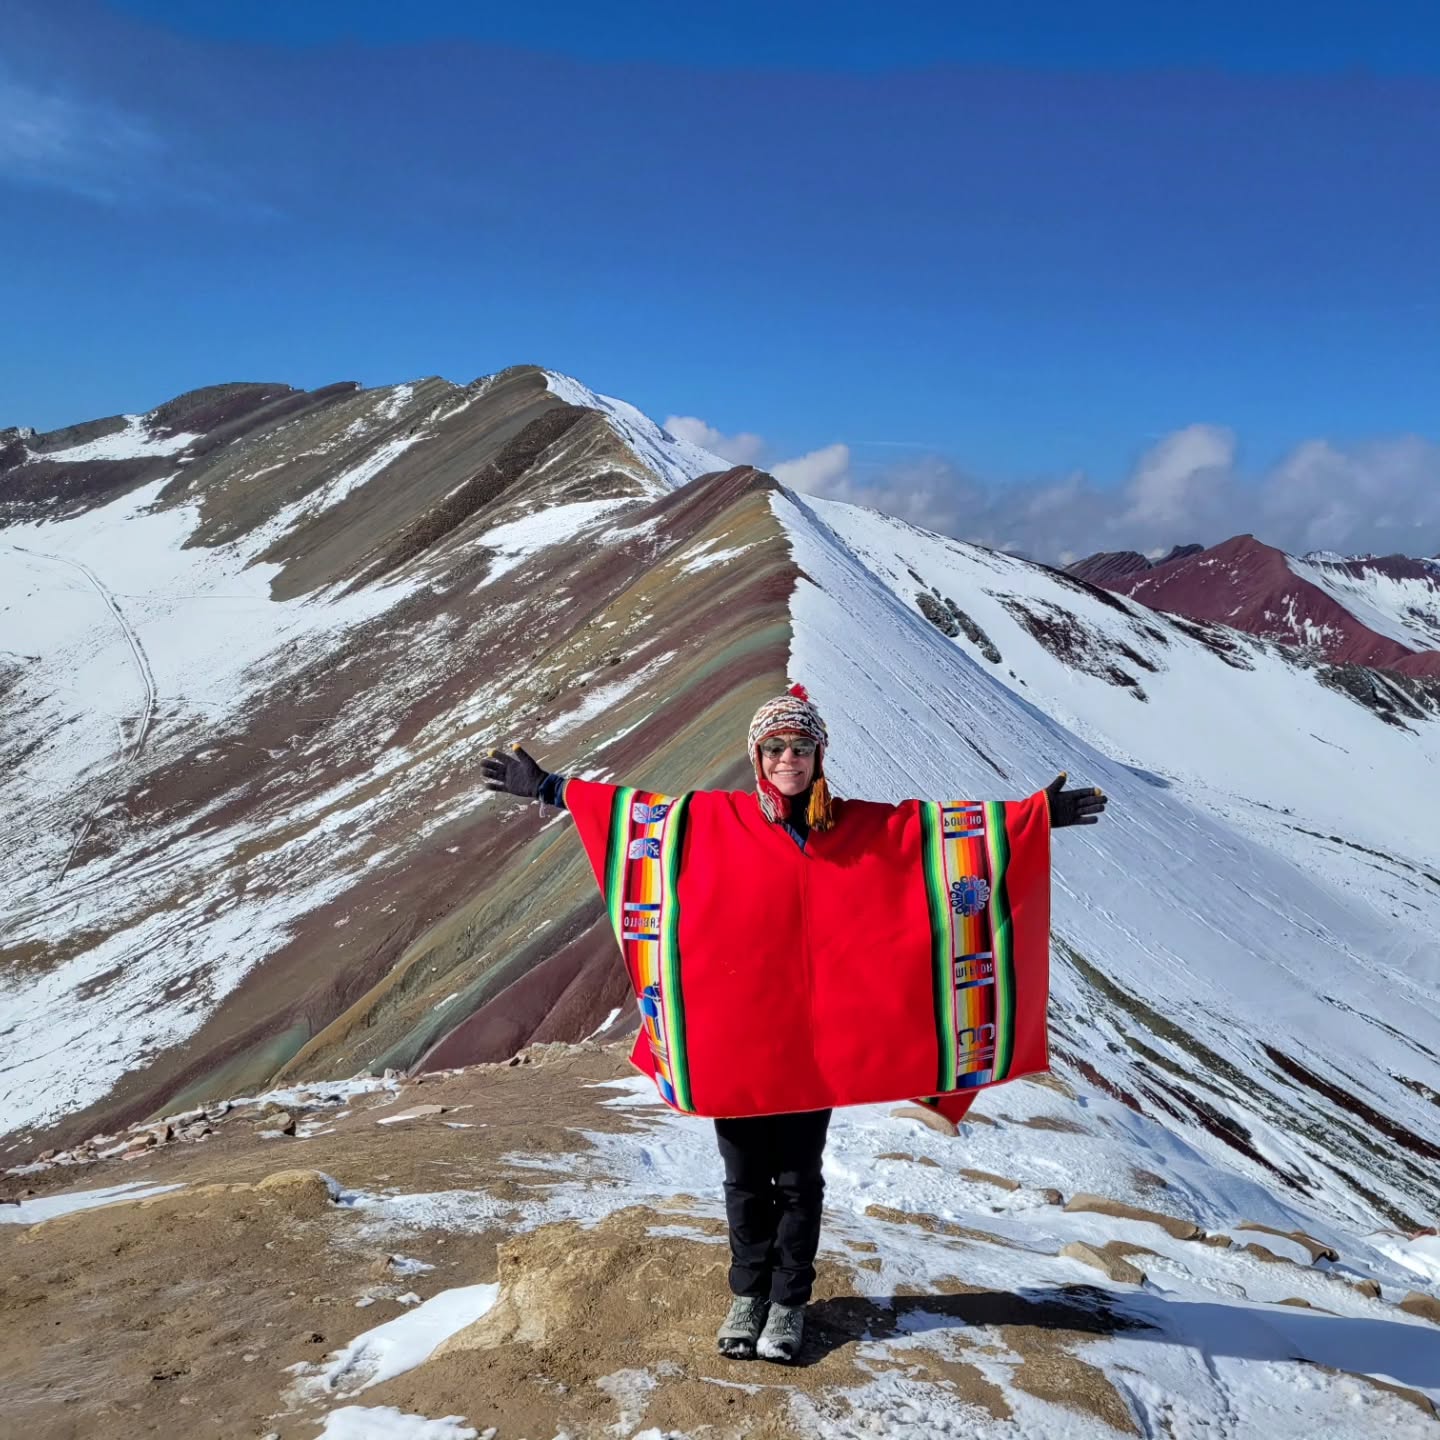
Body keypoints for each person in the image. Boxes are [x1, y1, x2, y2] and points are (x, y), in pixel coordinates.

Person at [482, 684, 1107, 1364]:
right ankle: (747, 1294)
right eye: (775, 747)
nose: (788, 758)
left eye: (800, 746)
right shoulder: (712, 819)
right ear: (757, 757)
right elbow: (635, 814)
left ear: (818, 754)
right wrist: (546, 787)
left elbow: (937, 833)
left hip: (814, 1050)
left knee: (799, 1179)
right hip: (738, 1038)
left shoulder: (860, 828)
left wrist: (1034, 817)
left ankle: (788, 1304)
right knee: (745, 1178)